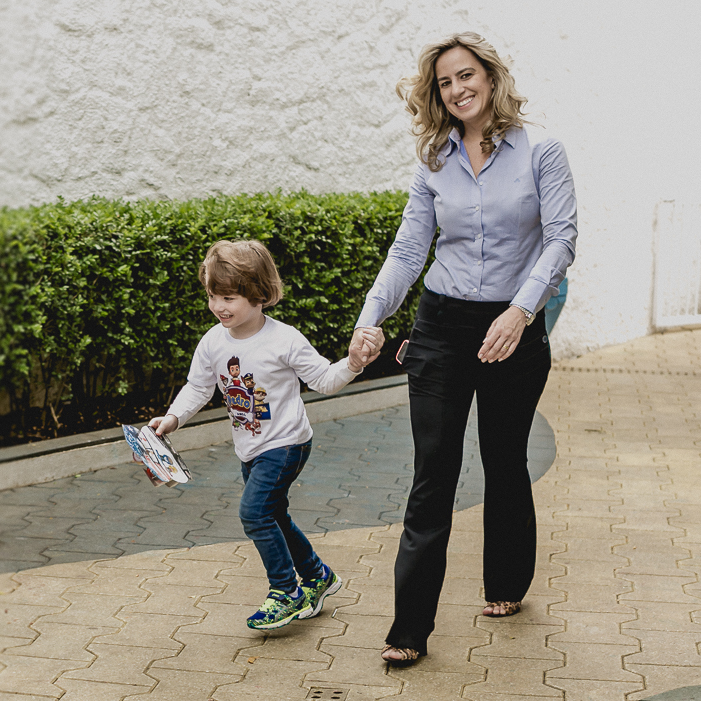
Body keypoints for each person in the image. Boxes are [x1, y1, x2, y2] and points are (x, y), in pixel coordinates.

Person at [351, 32, 577, 664]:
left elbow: (560, 240)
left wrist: (519, 311)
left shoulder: (542, 151)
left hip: (513, 328)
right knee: (434, 473)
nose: (457, 89)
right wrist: (372, 319)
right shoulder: (434, 160)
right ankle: (408, 630)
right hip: (441, 328)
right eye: (445, 82)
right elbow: (407, 249)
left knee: (504, 459)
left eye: (466, 75)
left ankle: (505, 582)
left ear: (491, 76)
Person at [151, 240, 380, 630]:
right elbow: (198, 387)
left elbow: (324, 380)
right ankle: (318, 576)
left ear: (258, 295)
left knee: (255, 513)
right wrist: (172, 419)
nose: (219, 306)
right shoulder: (213, 341)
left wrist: (353, 364)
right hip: (250, 447)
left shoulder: (284, 340)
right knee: (274, 514)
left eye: (229, 297)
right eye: (212, 296)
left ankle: (286, 592)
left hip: (287, 444)